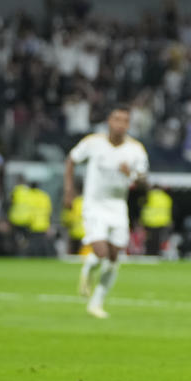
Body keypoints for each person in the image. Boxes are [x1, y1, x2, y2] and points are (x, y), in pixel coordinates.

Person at [64, 106, 149, 318]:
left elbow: (144, 180)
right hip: (94, 204)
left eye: (124, 121)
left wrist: (132, 174)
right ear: (109, 122)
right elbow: (71, 159)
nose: (120, 124)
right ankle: (88, 269)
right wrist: (69, 189)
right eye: (116, 119)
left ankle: (96, 302)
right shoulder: (93, 143)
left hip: (118, 205)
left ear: (128, 125)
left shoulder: (136, 149)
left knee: (113, 258)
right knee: (101, 251)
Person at [141, 185, 173, 256]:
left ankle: (150, 253)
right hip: (163, 222)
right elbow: (168, 210)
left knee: (150, 239)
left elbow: (142, 204)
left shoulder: (149, 196)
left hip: (150, 222)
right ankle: (158, 252)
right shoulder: (166, 197)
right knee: (159, 239)